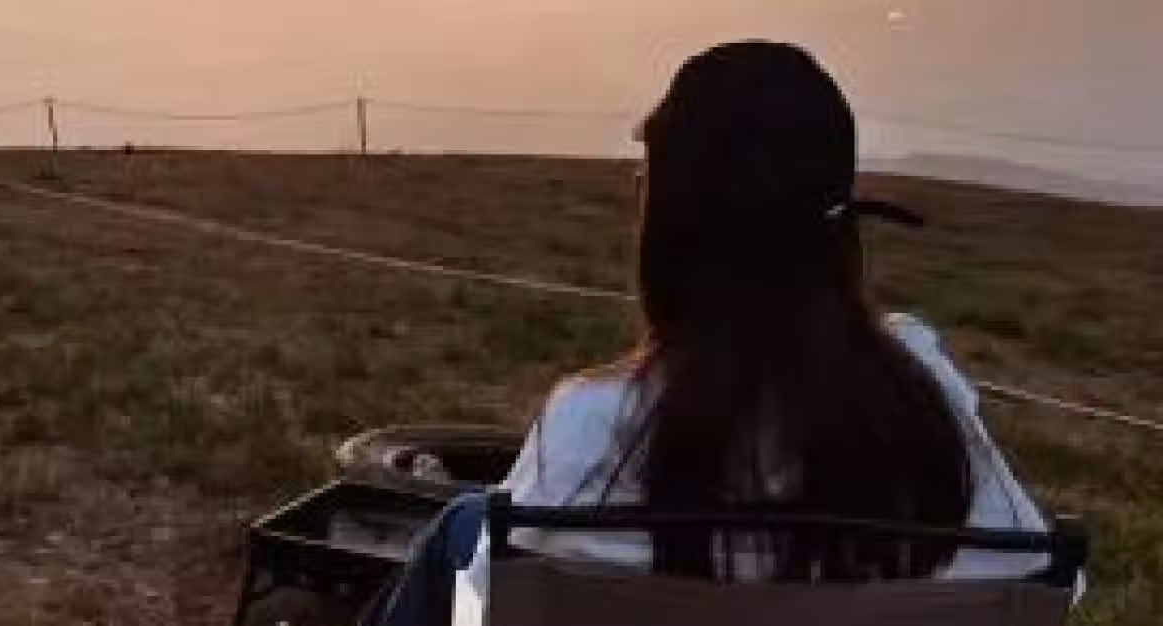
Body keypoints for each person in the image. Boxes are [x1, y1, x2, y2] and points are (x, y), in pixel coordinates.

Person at [369, 40, 1065, 626]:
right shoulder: (926, 401)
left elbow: (490, 604)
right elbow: (1038, 572)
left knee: (465, 526)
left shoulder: (591, 424)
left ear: (666, 232)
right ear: (840, 229)